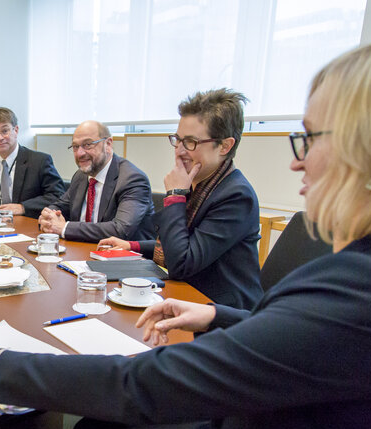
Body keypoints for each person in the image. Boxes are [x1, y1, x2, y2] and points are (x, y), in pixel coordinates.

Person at [0, 42, 371, 429]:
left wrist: (1, 365)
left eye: (309, 139)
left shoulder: (356, 288)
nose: (296, 161)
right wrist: (213, 314)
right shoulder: (351, 270)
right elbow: (292, 333)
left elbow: (148, 382)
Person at [98, 89, 262, 309]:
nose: (179, 151)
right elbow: (183, 243)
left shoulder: (236, 196)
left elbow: (181, 263)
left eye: (191, 142)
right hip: (189, 296)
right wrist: (131, 245)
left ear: (225, 145)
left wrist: (175, 195)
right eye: (178, 140)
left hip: (222, 311)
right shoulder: (199, 181)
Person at [38, 120, 155, 243]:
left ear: (108, 144)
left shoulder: (132, 179)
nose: (80, 153)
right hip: (82, 251)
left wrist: (64, 228)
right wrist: (49, 216)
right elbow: (60, 206)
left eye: (88, 144)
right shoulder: (80, 176)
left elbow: (120, 230)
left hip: (124, 258)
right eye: (75, 146)